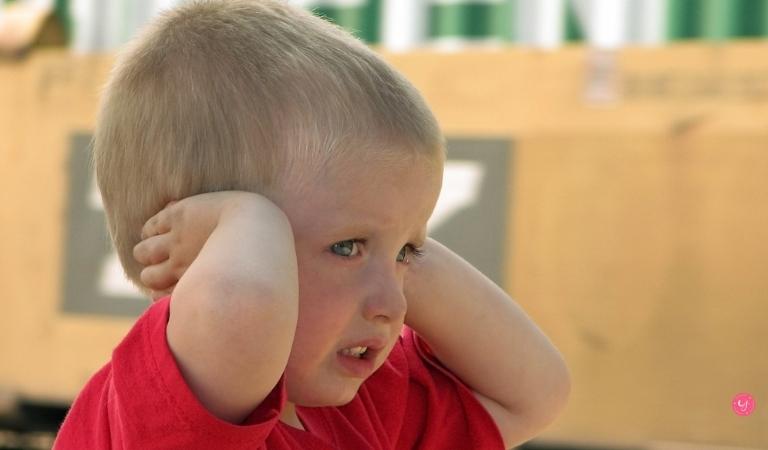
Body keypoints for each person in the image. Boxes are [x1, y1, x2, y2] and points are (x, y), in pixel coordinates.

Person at [53, 0, 571, 448]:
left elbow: (533, 393)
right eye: (347, 248)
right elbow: (242, 306)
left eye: (407, 256)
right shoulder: (166, 412)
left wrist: (391, 231)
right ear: (199, 245)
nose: (394, 305)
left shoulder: (358, 406)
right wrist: (247, 219)